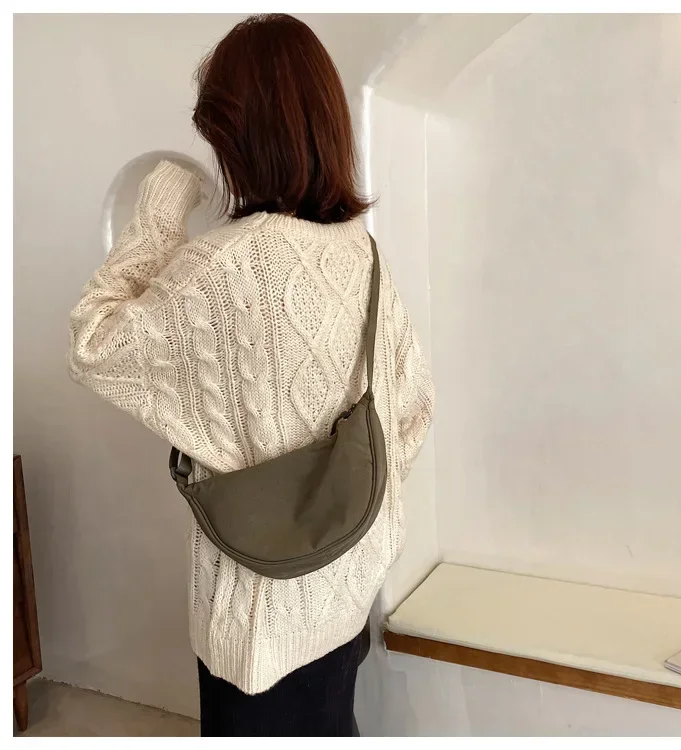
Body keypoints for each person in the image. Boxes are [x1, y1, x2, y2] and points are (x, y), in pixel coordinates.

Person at [68, 13, 434, 737]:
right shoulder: (363, 256)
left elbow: (94, 341)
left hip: (259, 621)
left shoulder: (221, 267)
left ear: (238, 138)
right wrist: (341, 505)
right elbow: (413, 411)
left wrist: (162, 204)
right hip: (347, 586)